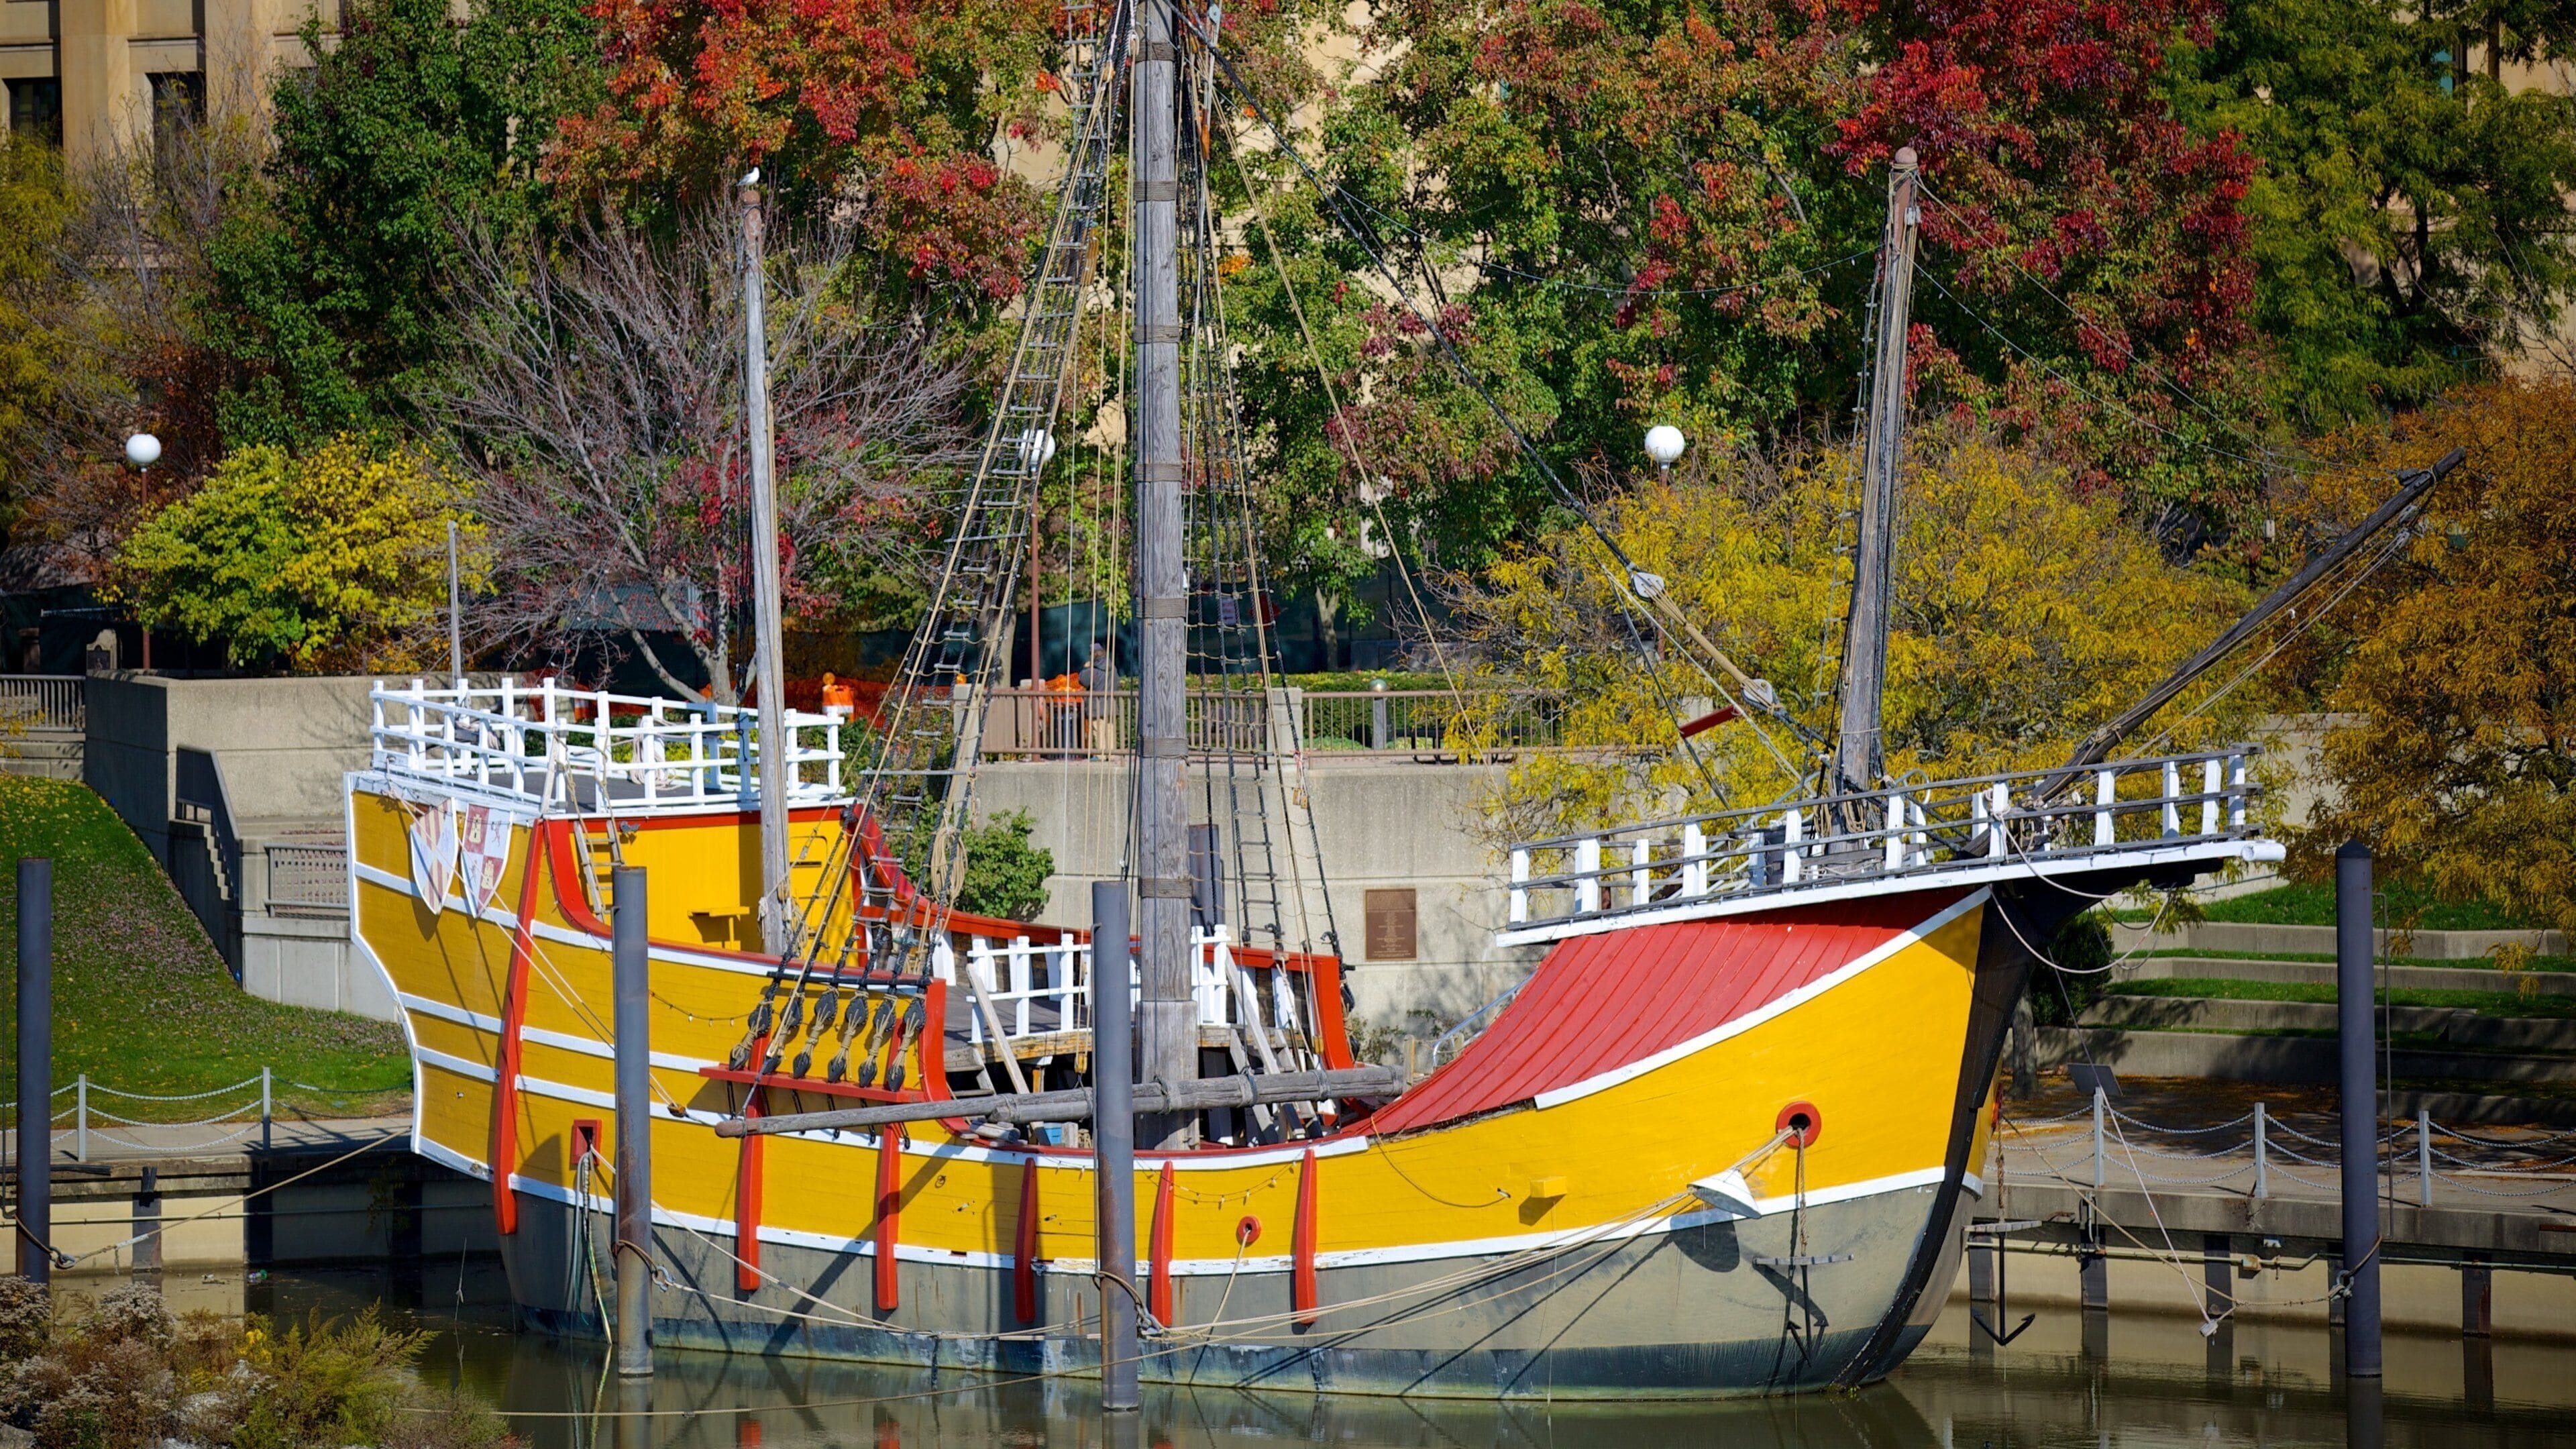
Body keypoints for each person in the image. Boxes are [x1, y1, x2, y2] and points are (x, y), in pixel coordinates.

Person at [1079, 643, 1119, 757]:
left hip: (1097, 705)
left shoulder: (1093, 670)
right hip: (1110, 704)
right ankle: (1111, 755)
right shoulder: (1113, 668)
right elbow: (1117, 683)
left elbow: (1083, 680)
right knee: (1110, 730)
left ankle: (1101, 755)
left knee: (1098, 730)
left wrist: (1086, 668)